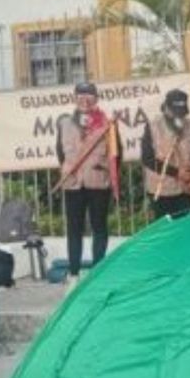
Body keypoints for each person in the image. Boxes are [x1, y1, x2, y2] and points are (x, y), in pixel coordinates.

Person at [55, 81, 120, 290]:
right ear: (74, 99)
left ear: (96, 99)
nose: (85, 100)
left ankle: (97, 273)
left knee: (99, 227)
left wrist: (106, 174)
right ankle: (74, 274)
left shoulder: (107, 124)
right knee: (74, 228)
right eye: (80, 95)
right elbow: (60, 153)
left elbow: (116, 155)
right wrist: (70, 170)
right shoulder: (64, 123)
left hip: (98, 182)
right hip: (73, 183)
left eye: (89, 96)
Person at [142, 88, 190, 218]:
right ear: (166, 108)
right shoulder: (153, 127)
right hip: (162, 191)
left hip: (186, 190)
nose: (179, 116)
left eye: (182, 113)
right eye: (175, 112)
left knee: (186, 226)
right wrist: (176, 173)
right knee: (166, 229)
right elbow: (147, 159)